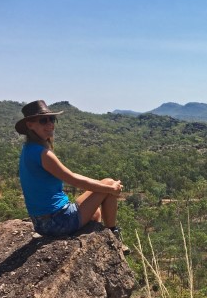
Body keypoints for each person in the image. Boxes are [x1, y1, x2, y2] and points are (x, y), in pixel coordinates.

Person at [15, 100, 128, 252]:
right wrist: (111, 188)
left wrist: (107, 187)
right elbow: (73, 179)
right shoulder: (44, 154)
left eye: (52, 119)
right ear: (30, 125)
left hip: (42, 222)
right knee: (108, 184)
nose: (50, 124)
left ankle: (99, 236)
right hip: (57, 221)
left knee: (96, 213)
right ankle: (114, 238)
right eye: (43, 120)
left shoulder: (28, 149)